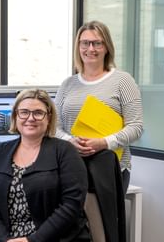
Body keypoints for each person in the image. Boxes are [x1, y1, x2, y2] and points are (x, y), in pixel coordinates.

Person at [0, 88, 92, 242]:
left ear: (48, 119)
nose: (30, 118)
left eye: (38, 113)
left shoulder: (64, 152)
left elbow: (71, 205)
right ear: (15, 116)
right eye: (24, 112)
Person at [55, 20, 143, 194]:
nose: (91, 49)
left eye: (97, 43)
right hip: (72, 167)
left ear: (107, 47)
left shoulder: (122, 81)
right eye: (85, 43)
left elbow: (136, 127)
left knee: (103, 221)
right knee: (72, 221)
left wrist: (103, 143)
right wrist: (69, 141)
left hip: (110, 168)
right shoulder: (67, 84)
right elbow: (53, 127)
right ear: (78, 47)